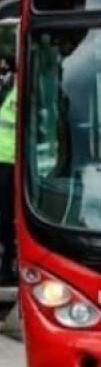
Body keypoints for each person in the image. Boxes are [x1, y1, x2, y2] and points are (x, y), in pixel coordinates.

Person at [0, 84, 16, 283]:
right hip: (8, 158)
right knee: (7, 216)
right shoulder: (21, 89)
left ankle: (6, 265)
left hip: (6, 158)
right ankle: (6, 267)